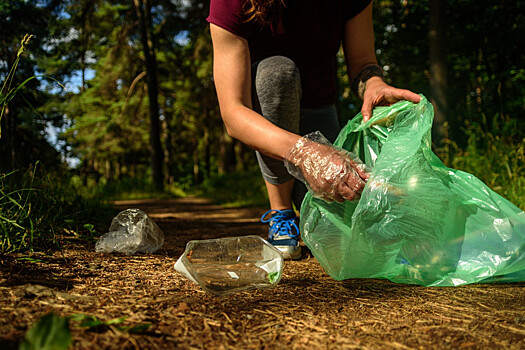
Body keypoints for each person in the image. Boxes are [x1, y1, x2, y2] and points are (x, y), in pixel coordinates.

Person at [207, 0, 420, 259]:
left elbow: (363, 63)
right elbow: (233, 113)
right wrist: (306, 154)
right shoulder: (231, 3)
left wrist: (374, 84)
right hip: (267, 114)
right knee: (278, 73)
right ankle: (281, 211)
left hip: (319, 106)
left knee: (340, 227)